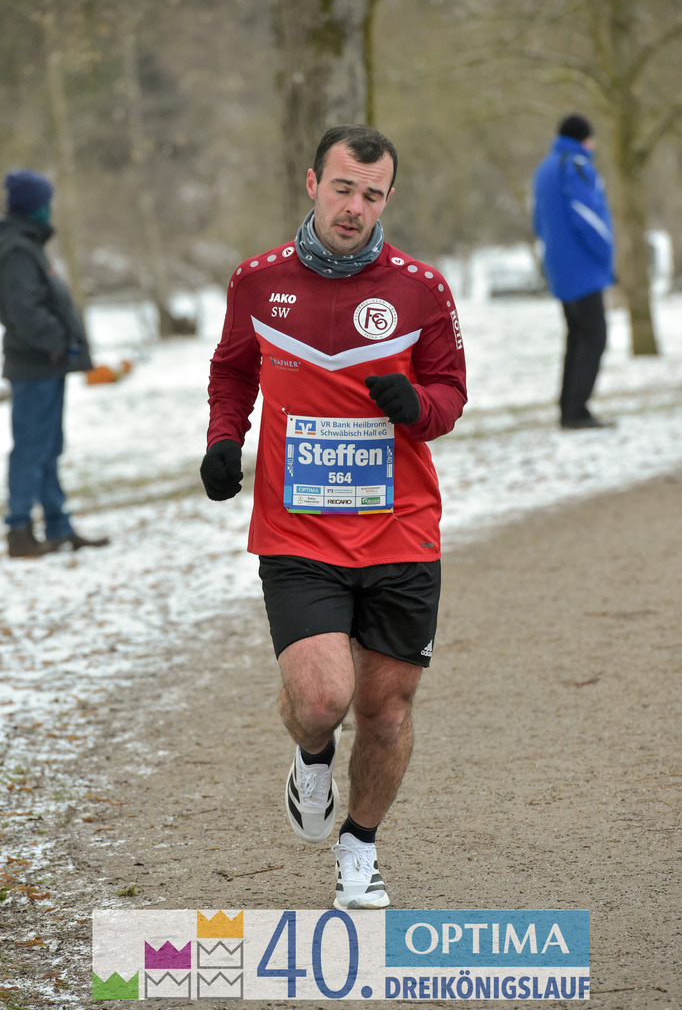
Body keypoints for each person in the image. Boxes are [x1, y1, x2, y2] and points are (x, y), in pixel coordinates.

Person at [201, 124, 467, 909]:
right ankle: (310, 755)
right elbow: (231, 371)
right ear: (313, 183)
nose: (355, 207)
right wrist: (224, 442)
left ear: (389, 198)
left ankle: (359, 848)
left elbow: (450, 396)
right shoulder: (257, 281)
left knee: (386, 711)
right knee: (322, 699)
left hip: (400, 528)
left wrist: (414, 405)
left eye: (372, 194)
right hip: (298, 529)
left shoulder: (422, 288)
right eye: (343, 188)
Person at [0, 170, 109, 557]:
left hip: (46, 364)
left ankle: (58, 526)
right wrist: (61, 344)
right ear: (34, 205)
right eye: (46, 202)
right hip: (36, 365)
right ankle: (18, 530)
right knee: (31, 447)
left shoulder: (27, 245)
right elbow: (23, 310)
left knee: (48, 446)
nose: (50, 209)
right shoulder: (15, 248)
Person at [532, 114, 616, 429]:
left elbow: (538, 221)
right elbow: (588, 216)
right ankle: (577, 411)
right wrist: (606, 255)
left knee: (577, 337)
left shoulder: (546, 167)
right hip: (583, 268)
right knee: (595, 337)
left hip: (559, 266)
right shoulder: (576, 164)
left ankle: (569, 408)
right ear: (584, 138)